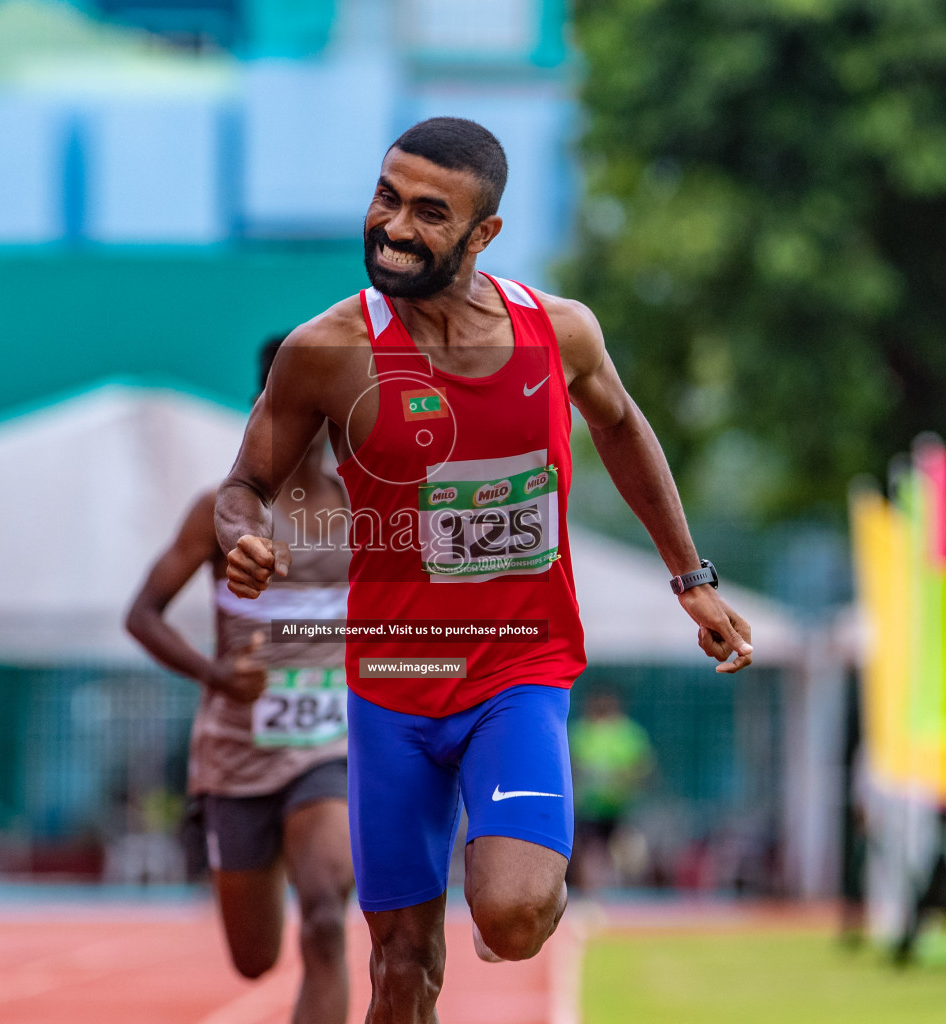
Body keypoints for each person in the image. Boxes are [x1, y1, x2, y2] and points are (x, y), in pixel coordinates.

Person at [216, 115, 754, 1023]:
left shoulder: (560, 333)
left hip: (518, 670)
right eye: (387, 197)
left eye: (430, 213)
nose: (394, 226)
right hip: (393, 686)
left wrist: (689, 575)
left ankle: (523, 883)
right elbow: (244, 483)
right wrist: (244, 535)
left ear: (483, 234)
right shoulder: (328, 351)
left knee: (508, 914)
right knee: (398, 966)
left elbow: (621, 426)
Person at [126, 337, 355, 1024]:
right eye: (294, 402)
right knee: (252, 958)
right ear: (267, 407)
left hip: (330, 746)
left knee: (323, 915)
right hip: (236, 753)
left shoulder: (360, 510)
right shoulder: (219, 514)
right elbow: (143, 615)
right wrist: (218, 675)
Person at [569, 687, 654, 890]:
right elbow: (571, 768)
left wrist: (622, 780)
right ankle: (592, 894)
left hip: (621, 807)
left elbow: (643, 771)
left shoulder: (629, 734)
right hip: (589, 808)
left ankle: (626, 895)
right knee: (590, 856)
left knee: (628, 856)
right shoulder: (581, 732)